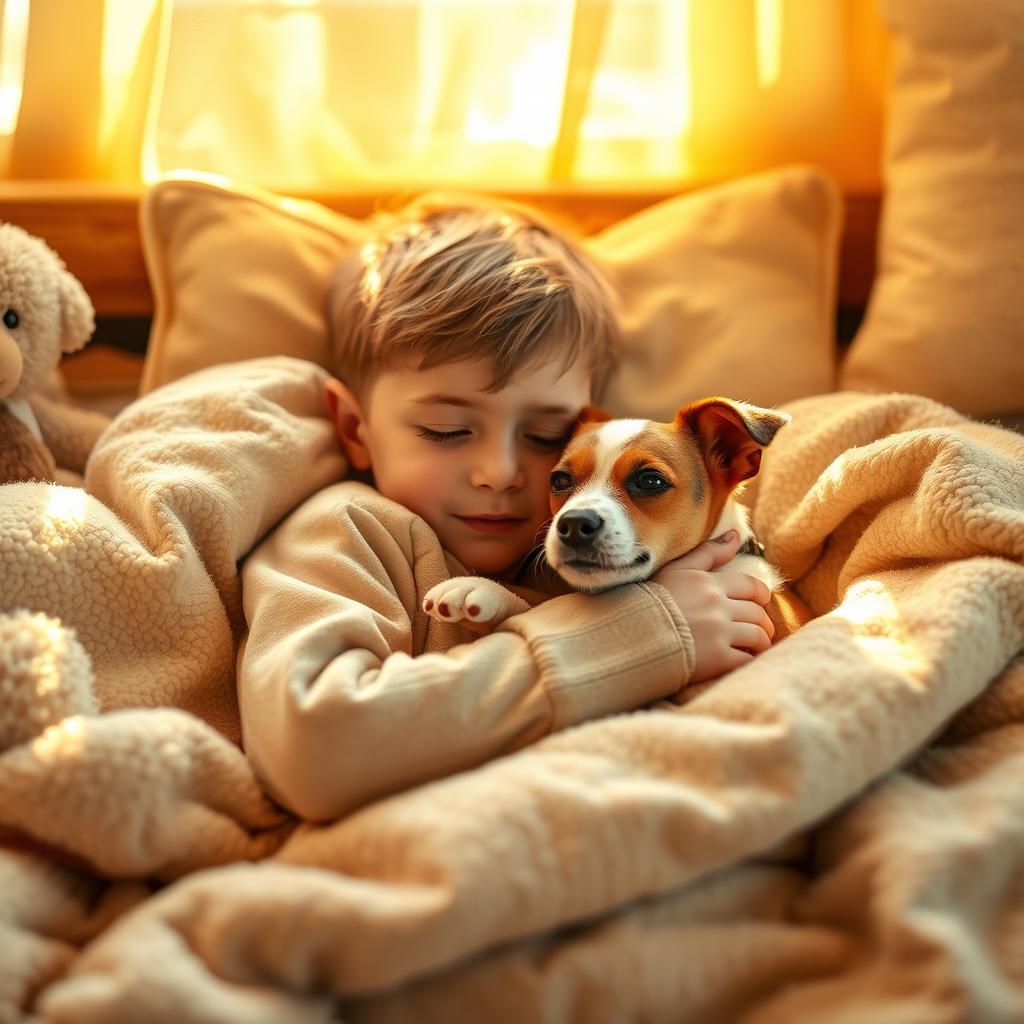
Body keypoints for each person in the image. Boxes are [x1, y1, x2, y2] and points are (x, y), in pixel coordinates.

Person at [236, 194, 774, 822]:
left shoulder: (599, 548)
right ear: (355, 428)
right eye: (445, 429)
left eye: (549, 440)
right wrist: (645, 633)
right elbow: (313, 748)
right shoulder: (343, 531)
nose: (500, 474)